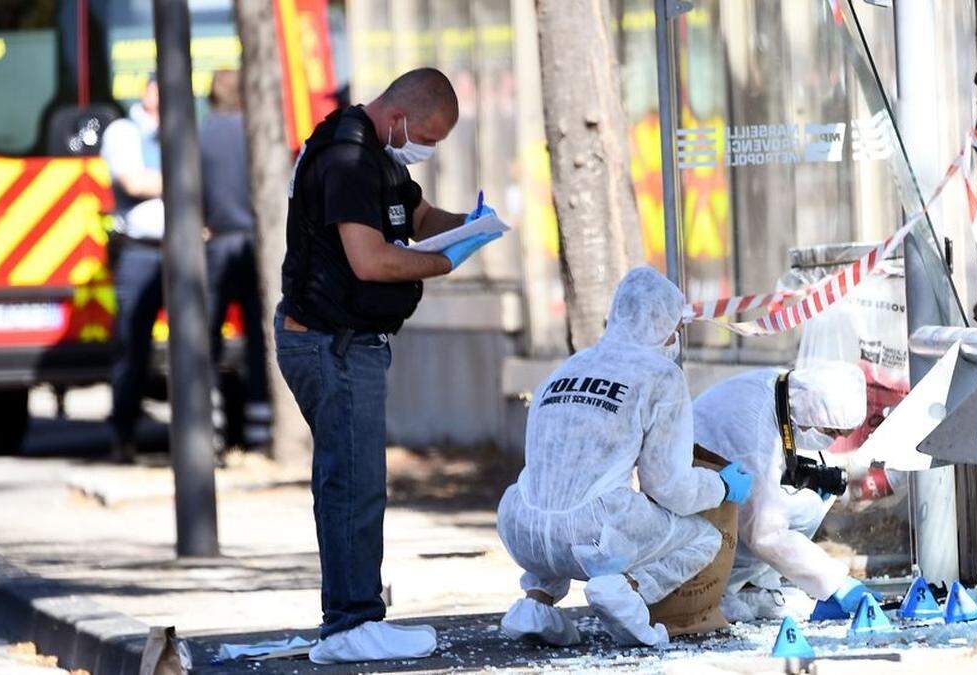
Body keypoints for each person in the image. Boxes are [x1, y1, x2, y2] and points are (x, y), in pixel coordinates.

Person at [276, 67, 503, 665]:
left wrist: (473, 227)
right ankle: (351, 624)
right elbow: (371, 261)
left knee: (354, 480)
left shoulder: (380, 156)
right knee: (352, 485)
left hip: (346, 340)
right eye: (427, 136)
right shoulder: (349, 158)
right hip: (333, 343)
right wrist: (444, 265)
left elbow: (419, 218)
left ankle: (353, 616)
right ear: (399, 117)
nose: (428, 150)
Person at [495, 266, 754, 648]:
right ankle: (624, 592)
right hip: (593, 537)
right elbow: (668, 486)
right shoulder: (659, 376)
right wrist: (721, 485)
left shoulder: (566, 368)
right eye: (676, 329)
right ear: (663, 323)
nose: (677, 338)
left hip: (521, 528)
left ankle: (538, 603)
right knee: (702, 539)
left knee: (562, 498)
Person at [692, 361, 869, 622]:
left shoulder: (779, 389)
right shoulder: (754, 434)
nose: (831, 440)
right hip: (696, 519)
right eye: (829, 431)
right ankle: (719, 588)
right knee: (776, 519)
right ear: (812, 410)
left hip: (710, 496)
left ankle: (755, 585)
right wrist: (836, 582)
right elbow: (764, 533)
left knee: (807, 505)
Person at [199, 69, 270, 452]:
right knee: (259, 339)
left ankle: (212, 429)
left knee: (208, 338)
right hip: (256, 247)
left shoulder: (202, 135)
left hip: (217, 244)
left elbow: (192, 194)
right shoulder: (256, 133)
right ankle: (260, 429)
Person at [101, 76, 164, 463]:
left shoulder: (184, 125)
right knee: (131, 344)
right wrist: (185, 176)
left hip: (184, 249)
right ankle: (123, 435)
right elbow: (133, 181)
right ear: (146, 92)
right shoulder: (124, 131)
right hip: (140, 251)